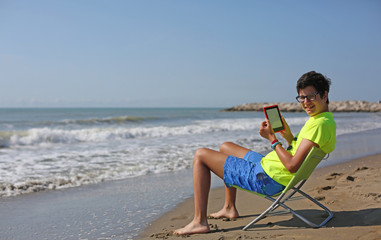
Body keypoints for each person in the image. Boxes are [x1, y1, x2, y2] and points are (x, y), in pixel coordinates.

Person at [174, 71, 336, 235]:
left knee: (201, 155)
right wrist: (287, 135)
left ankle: (199, 221)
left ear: (324, 95)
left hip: (266, 179)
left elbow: (292, 165)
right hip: (269, 167)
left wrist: (272, 139)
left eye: (311, 96)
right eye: (302, 97)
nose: (306, 102)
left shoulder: (319, 125)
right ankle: (229, 207)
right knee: (226, 147)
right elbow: (297, 153)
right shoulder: (322, 120)